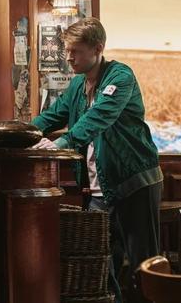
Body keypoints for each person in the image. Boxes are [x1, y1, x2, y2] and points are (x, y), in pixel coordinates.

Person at [31, 17, 162, 303]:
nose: (68, 57)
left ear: (97, 48)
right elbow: (52, 116)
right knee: (101, 267)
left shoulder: (121, 77)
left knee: (144, 266)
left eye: (75, 51)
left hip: (133, 184)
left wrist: (61, 143)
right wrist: (20, 133)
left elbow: (98, 117)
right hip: (98, 190)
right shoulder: (77, 84)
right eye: (67, 50)